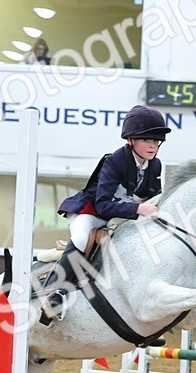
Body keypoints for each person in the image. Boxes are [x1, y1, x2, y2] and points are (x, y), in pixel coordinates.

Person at [43, 104, 170, 319]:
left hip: (120, 217)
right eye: (146, 140)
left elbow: (152, 199)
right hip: (91, 213)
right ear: (131, 140)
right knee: (83, 239)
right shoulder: (114, 161)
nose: (153, 145)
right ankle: (55, 295)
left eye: (156, 141)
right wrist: (139, 208)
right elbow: (102, 204)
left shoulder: (155, 165)